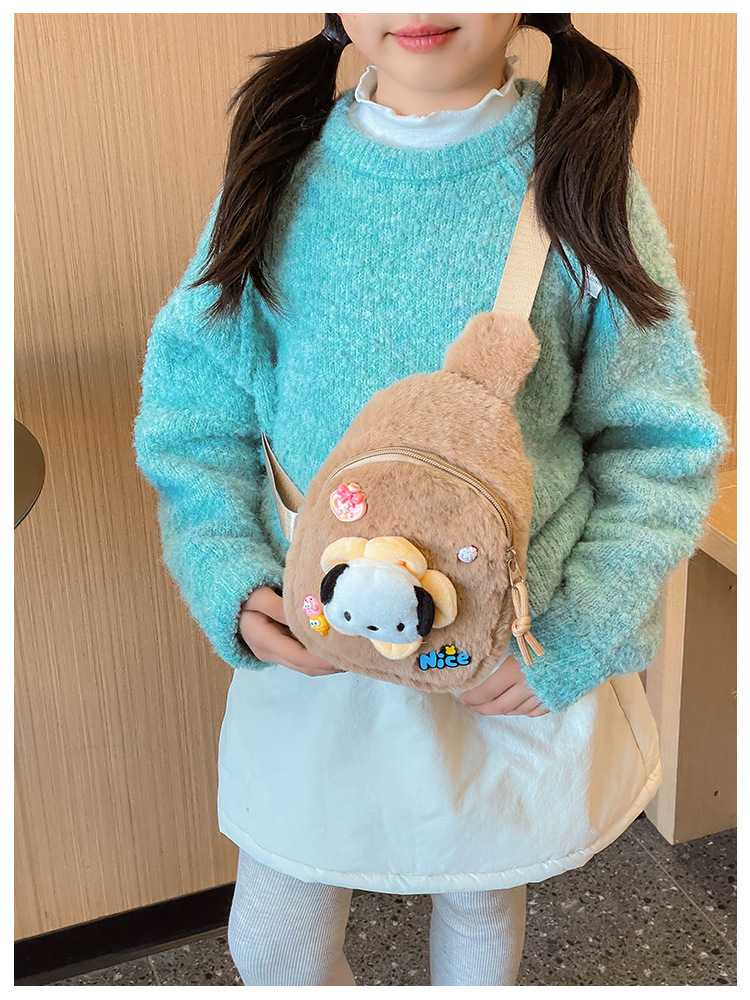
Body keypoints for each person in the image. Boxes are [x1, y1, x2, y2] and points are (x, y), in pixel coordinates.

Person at [133, 13, 729, 987]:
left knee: (480, 901)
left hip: (504, 652)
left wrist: (581, 630)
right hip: (318, 644)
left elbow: (659, 445)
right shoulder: (279, 171)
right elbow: (192, 413)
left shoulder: (581, 177)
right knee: (276, 942)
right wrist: (226, 573)